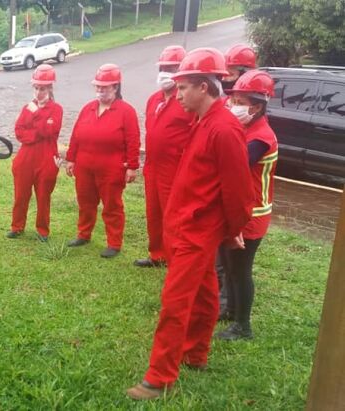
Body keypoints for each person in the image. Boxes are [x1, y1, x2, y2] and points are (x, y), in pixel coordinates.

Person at [126, 48, 253, 400]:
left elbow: (239, 190)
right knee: (205, 291)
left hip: (198, 229)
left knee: (175, 299)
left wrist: (233, 229)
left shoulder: (224, 129)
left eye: (183, 88)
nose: (177, 94)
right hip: (186, 224)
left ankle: (159, 376)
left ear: (203, 87)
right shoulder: (202, 121)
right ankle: (196, 354)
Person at [216, 70, 278, 340]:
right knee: (229, 265)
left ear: (257, 106)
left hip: (253, 213)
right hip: (237, 209)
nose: (233, 105)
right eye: (234, 99)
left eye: (240, 101)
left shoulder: (261, 137)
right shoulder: (245, 127)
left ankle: (243, 326)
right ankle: (230, 309)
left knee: (241, 269)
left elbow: (233, 166)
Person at [65, 64, 140, 258]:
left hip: (111, 167)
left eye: (104, 87)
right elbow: (75, 135)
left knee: (112, 206)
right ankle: (84, 234)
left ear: (115, 87)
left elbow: (133, 140)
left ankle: (114, 243)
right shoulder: (88, 108)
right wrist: (71, 159)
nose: (100, 91)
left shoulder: (126, 111)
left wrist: (132, 166)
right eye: (98, 87)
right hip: (85, 165)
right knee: (85, 202)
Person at [134, 45, 195, 268]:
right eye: (163, 67)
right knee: (153, 212)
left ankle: (175, 257)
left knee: (173, 215)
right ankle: (157, 253)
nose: (165, 72)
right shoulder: (154, 99)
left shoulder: (187, 102)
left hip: (174, 167)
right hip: (153, 165)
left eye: (171, 68)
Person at [217, 43, 257, 316]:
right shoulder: (227, 105)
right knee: (223, 259)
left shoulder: (258, 128)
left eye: (233, 71)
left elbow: (238, 168)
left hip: (245, 205)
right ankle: (225, 302)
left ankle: (230, 308)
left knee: (235, 263)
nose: (228, 76)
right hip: (226, 198)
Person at [6, 64, 63, 242]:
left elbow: (50, 131)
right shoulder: (26, 107)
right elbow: (19, 132)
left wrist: (35, 115)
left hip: (46, 157)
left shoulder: (56, 109)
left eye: (43, 88)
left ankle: (43, 230)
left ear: (50, 88)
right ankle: (17, 226)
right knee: (21, 195)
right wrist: (35, 130)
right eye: (37, 88)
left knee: (43, 196)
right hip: (25, 157)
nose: (39, 92)